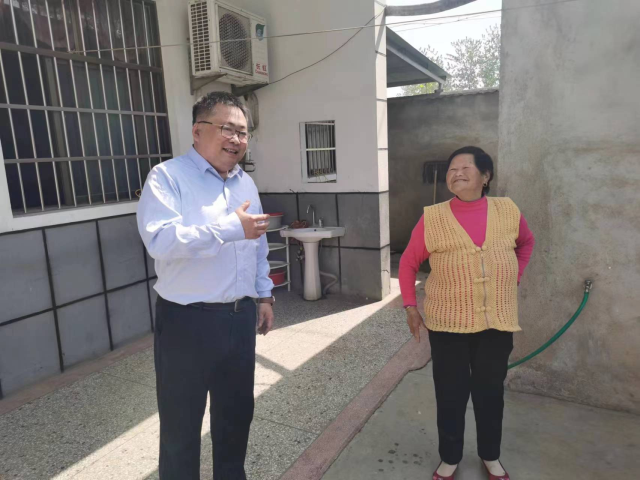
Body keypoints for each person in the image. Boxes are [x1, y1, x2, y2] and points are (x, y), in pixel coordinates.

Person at [137, 91, 275, 480]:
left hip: (239, 319)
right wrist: (229, 228)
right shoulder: (167, 177)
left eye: (243, 132)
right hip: (187, 322)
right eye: (227, 129)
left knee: (235, 417)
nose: (237, 139)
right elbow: (160, 240)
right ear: (198, 131)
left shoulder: (246, 184)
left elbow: (258, 245)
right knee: (181, 426)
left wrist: (264, 294)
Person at [399, 146, 535, 480]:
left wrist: (514, 276)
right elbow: (408, 262)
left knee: (490, 393)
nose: (456, 173)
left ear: (485, 176)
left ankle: (491, 456)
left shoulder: (507, 210)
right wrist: (410, 306)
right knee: (450, 394)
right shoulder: (433, 217)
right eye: (451, 169)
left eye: (465, 168)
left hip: (496, 323)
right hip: (448, 324)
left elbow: (526, 243)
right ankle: (450, 458)